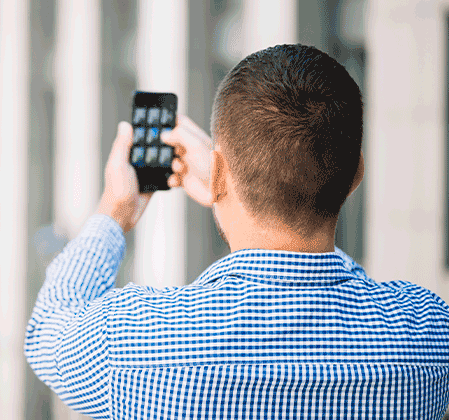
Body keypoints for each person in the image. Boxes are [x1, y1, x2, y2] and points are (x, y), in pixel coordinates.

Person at [24, 44, 449, 419]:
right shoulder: (428, 334)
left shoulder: (133, 343)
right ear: (356, 174)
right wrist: (227, 180)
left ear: (218, 169)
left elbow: (47, 331)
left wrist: (116, 211)